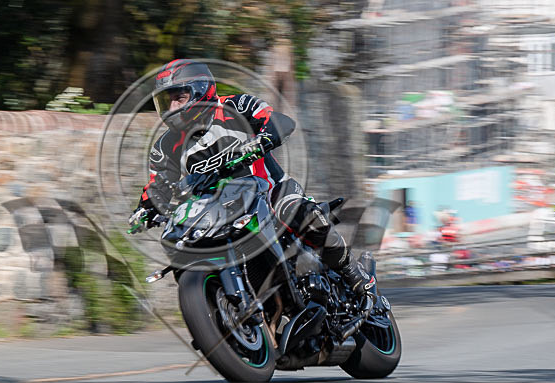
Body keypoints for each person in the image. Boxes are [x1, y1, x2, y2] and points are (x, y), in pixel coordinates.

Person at [128, 59, 373, 296]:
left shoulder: (235, 106)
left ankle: (351, 271)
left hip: (269, 191)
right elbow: (157, 184)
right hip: (218, 209)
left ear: (201, 91)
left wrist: (264, 138)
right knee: (186, 241)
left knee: (300, 213)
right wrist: (145, 209)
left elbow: (278, 121)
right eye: (166, 100)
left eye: (179, 97)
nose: (172, 108)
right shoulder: (166, 145)